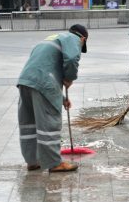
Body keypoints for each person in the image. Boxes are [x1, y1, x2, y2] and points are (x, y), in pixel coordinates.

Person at [17, 24, 88, 172]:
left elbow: (44, 67)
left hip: (26, 81)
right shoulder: (73, 39)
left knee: (29, 124)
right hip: (43, 82)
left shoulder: (52, 39)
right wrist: (69, 78)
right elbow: (72, 59)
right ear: (83, 38)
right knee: (49, 123)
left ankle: (33, 161)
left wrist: (62, 98)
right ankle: (54, 163)